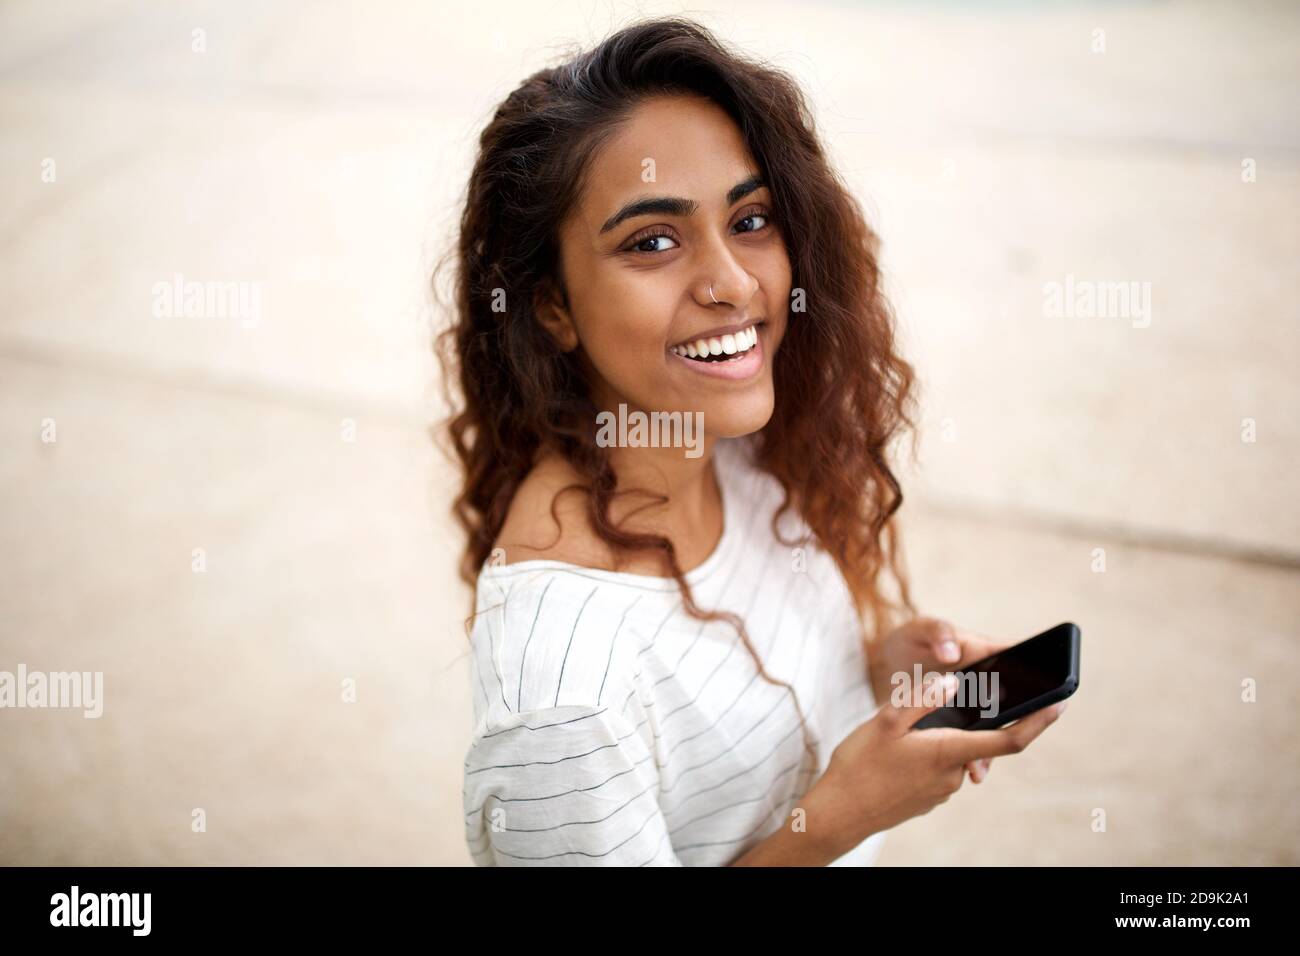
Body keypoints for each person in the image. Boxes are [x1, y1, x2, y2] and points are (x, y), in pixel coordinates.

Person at [433, 16, 1067, 866]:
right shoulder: (559, 696)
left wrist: (878, 670)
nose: (733, 283)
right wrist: (837, 819)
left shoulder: (738, 450)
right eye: (652, 241)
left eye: (752, 218)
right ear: (551, 307)